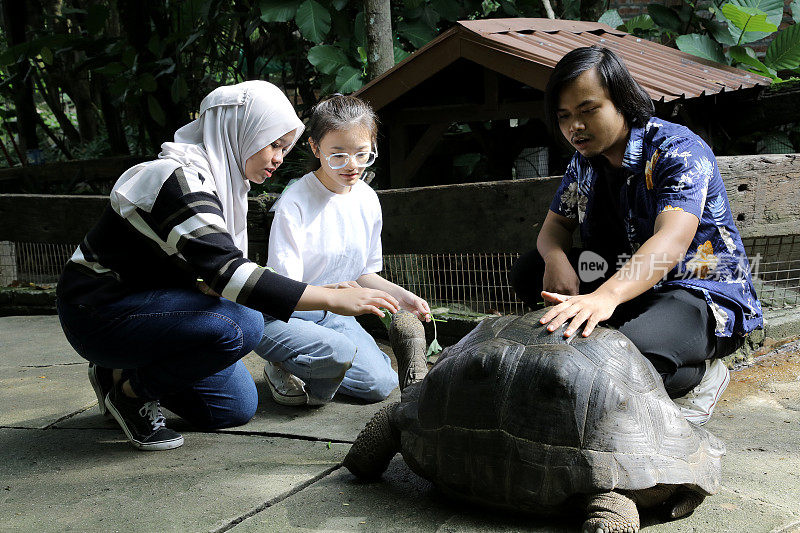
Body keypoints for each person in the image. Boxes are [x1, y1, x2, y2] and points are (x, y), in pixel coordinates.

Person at [56, 81, 399, 451]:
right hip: (99, 313)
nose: (279, 157)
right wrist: (329, 300)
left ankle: (118, 372)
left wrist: (326, 291)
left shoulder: (227, 185)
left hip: (160, 310)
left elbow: (212, 276)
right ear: (241, 131)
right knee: (244, 322)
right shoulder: (175, 179)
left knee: (234, 407)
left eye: (285, 147)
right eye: (273, 145)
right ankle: (131, 394)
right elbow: (229, 274)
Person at [511, 46, 763, 425]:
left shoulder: (677, 150)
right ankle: (616, 329)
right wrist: (556, 260)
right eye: (564, 116)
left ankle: (701, 377)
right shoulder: (583, 163)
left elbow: (671, 242)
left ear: (622, 102)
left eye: (587, 110)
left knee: (628, 361)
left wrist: (604, 298)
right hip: (629, 281)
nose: (574, 126)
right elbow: (555, 228)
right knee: (530, 269)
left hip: (699, 290)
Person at [255, 94, 431, 406]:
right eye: (338, 155)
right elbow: (283, 295)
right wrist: (334, 298)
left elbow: (363, 274)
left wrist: (403, 298)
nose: (352, 166)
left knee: (380, 383)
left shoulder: (366, 199)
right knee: (335, 356)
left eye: (362, 155)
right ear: (315, 148)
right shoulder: (294, 203)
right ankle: (280, 363)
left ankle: (317, 368)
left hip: (336, 316)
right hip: (287, 316)